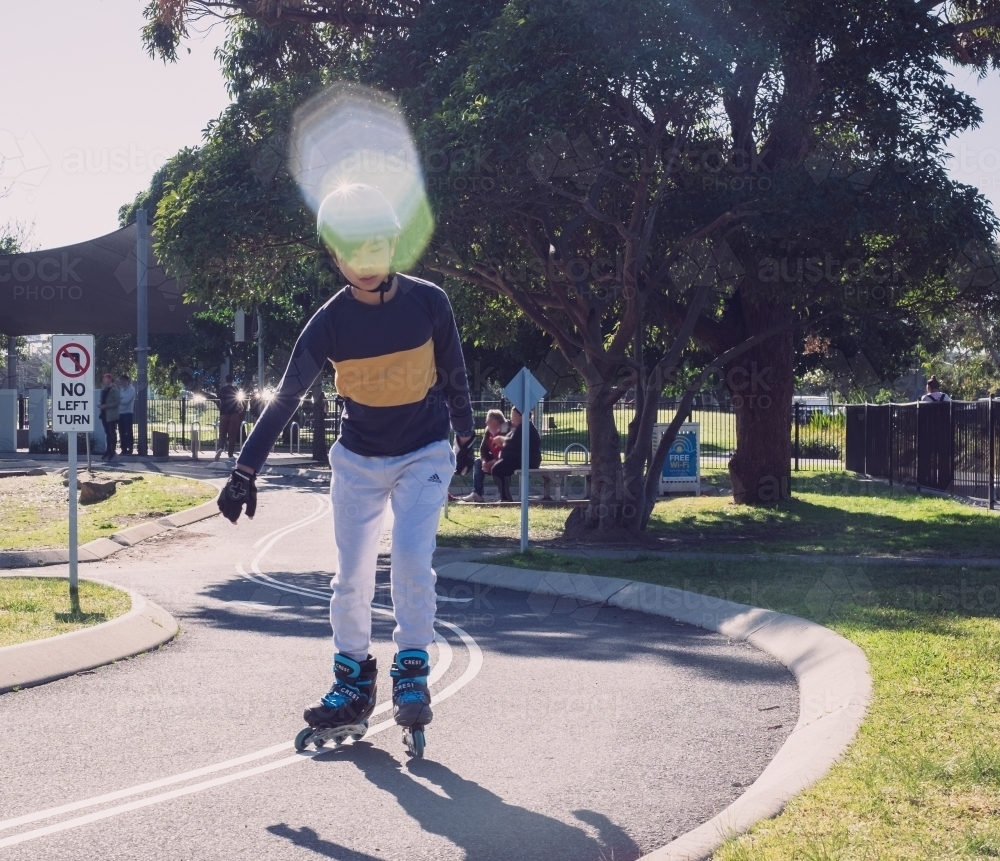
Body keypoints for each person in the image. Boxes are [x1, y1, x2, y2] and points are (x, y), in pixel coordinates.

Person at [216, 183, 476, 753]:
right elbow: (284, 397)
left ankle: (412, 667)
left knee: (410, 556)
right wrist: (245, 470)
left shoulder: (430, 302)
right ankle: (352, 681)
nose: (362, 261)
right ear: (335, 256)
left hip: (425, 452)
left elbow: (455, 372)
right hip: (358, 459)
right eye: (348, 250)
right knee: (350, 575)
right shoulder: (329, 323)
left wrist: (466, 434)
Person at [489, 407, 542, 502]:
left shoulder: (525, 427)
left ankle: (505, 498)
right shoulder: (521, 427)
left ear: (520, 416)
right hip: (521, 459)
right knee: (499, 468)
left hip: (527, 460)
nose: (511, 417)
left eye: (513, 415)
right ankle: (505, 497)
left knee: (497, 469)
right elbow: (512, 441)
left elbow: (513, 442)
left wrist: (501, 440)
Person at [462, 409, 510, 502]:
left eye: (489, 421)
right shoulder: (488, 431)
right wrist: (484, 461)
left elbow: (508, 452)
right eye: (487, 421)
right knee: (477, 462)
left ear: (499, 421)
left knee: (499, 465)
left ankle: (501, 493)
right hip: (494, 458)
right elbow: (483, 449)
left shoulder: (507, 429)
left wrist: (493, 462)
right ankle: (477, 493)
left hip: (506, 460)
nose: (486, 423)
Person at [215, 374, 243, 461]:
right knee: (232, 435)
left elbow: (218, 400)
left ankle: (220, 447)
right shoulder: (235, 389)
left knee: (222, 433)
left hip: (223, 414)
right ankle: (230, 454)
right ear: (232, 380)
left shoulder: (221, 390)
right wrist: (240, 408)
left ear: (226, 380)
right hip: (234, 414)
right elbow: (239, 401)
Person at [97, 373, 120, 462]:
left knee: (112, 433)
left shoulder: (115, 389)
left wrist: (106, 406)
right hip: (104, 414)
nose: (103, 381)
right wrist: (100, 405)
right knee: (107, 433)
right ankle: (108, 450)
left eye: (105, 379)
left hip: (111, 415)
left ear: (110, 379)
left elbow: (117, 402)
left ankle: (112, 451)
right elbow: (102, 399)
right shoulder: (104, 390)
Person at [118, 374, 136, 456]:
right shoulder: (121, 390)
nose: (122, 382)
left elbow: (126, 401)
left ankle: (130, 448)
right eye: (121, 380)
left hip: (128, 413)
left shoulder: (131, 389)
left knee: (128, 431)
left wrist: (119, 400)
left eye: (123, 380)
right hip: (120, 413)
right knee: (121, 432)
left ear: (127, 381)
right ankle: (123, 449)